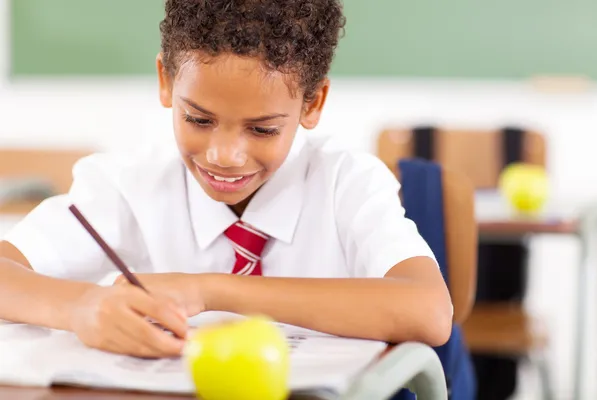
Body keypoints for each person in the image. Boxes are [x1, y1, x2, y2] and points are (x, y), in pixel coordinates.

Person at [0, 0, 452, 359]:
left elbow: (430, 312)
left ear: (313, 103)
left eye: (262, 129)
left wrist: (209, 290)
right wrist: (79, 307)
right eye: (198, 119)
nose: (224, 156)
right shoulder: (125, 185)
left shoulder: (347, 184)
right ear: (165, 81)